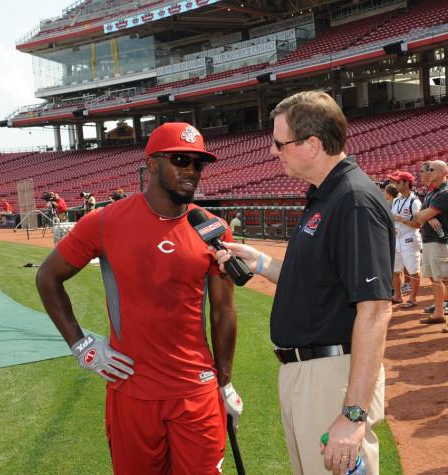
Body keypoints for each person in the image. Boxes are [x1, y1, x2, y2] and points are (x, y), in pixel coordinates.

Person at [36, 122, 243, 475]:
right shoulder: (103, 222)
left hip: (197, 393)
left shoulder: (212, 228)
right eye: (181, 159)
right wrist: (80, 344)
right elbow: (48, 277)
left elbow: (223, 311)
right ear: (151, 165)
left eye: (198, 163)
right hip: (131, 393)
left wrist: (225, 382)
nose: (191, 171)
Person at [213, 91, 394, 475]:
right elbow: (317, 283)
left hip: (332, 377)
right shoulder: (323, 197)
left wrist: (354, 413)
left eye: (280, 143)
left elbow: (376, 310)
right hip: (307, 373)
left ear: (312, 144)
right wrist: (259, 262)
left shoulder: (353, 200)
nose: (274, 152)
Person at [414, 160, 448, 330]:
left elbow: (422, 216)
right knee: (436, 279)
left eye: (432, 169)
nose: (428, 172)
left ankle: (441, 312)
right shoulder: (432, 192)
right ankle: (439, 313)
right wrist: (428, 216)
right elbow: (419, 216)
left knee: (445, 279)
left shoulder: (444, 192)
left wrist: (427, 215)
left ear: (443, 172)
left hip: (440, 241)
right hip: (430, 240)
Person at [388, 170, 422, 308]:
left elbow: (419, 224)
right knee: (394, 270)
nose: (395, 184)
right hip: (397, 240)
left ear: (406, 183)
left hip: (409, 239)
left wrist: (402, 220)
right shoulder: (396, 200)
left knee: (413, 271)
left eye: (398, 182)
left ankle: (413, 298)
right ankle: (397, 296)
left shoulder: (414, 202)